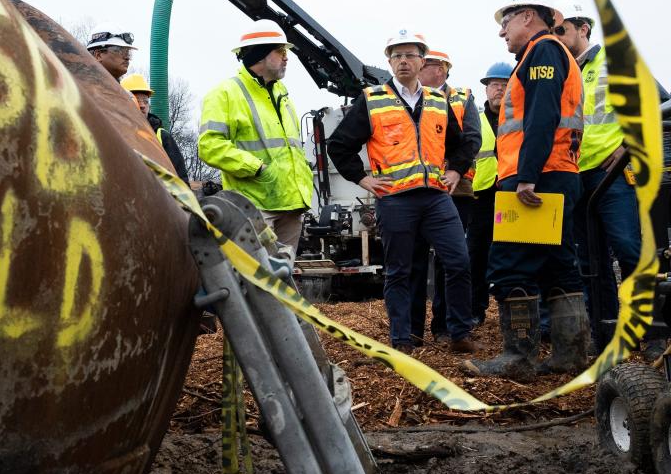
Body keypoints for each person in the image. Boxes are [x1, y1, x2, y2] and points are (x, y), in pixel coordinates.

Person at [327, 29, 479, 354]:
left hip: (437, 197)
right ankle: (401, 340)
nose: (403, 61)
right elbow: (339, 145)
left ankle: (459, 332)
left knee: (459, 260)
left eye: (410, 55)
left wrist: (455, 170)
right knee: (399, 271)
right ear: (389, 61)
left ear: (423, 60)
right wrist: (363, 179)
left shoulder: (439, 101)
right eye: (396, 56)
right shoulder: (372, 100)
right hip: (395, 200)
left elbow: (462, 143)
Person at [463, 0, 588, 380]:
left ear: (528, 17)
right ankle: (570, 355)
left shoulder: (542, 52)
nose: (503, 32)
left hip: (536, 178)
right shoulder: (552, 53)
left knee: (510, 265)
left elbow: (541, 116)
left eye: (506, 22)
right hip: (557, 173)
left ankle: (518, 357)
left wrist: (528, 175)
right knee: (557, 264)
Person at [553, 0, 641, 331]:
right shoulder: (560, 71)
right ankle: (606, 331)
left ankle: (649, 331)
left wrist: (629, 145)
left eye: (561, 30)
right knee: (590, 261)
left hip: (612, 175)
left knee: (629, 250)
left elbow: (657, 105)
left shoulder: (615, 61)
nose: (556, 36)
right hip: (574, 176)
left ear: (583, 28)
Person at [198, 20, 313, 253]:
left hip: (291, 204)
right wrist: (257, 168)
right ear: (259, 55)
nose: (286, 57)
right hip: (255, 206)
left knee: (282, 278)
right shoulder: (225, 94)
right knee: (255, 281)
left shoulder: (282, 93)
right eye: (280, 51)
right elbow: (209, 146)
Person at [409, 49, 482, 345]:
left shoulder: (461, 98)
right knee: (413, 261)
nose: (417, 68)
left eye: (424, 64)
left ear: (440, 70)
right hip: (414, 190)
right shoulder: (407, 99)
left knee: (450, 261)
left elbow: (472, 139)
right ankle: (412, 331)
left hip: (455, 190)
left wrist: (453, 171)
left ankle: (445, 327)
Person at [465, 62, 514, 327]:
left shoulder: (520, 117)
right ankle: (476, 310)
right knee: (477, 256)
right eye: (495, 85)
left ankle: (513, 308)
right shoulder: (475, 120)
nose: (499, 90)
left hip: (512, 194)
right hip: (481, 197)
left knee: (511, 254)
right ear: (486, 90)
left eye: (505, 85)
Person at [121, 73, 189, 184]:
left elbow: (180, 176)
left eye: (145, 101)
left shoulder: (161, 136)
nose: (142, 105)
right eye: (137, 100)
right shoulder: (113, 131)